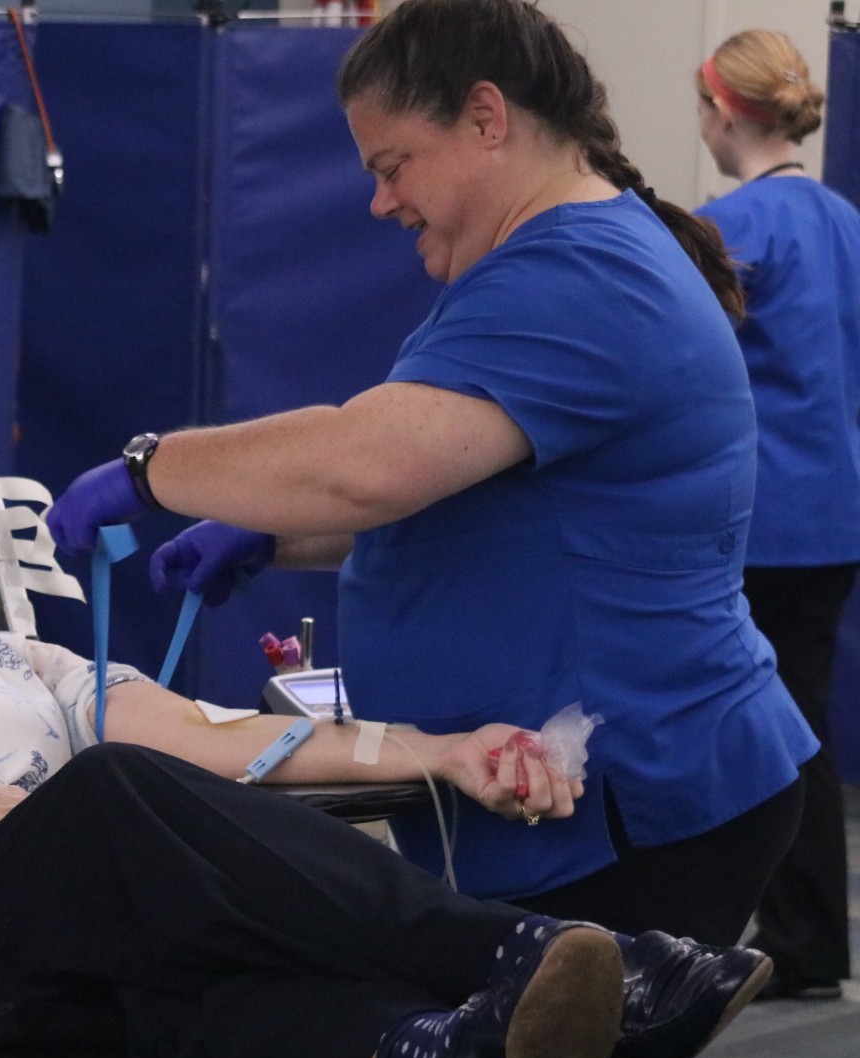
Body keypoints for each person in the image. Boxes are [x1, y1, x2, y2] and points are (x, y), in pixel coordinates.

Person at [0, 388, 766, 1058]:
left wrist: (437, 749)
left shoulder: (4, 658)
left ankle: (442, 1038)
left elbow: (215, 741)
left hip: (54, 987)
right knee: (103, 794)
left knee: (212, 979)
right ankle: (522, 949)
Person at [45, 0, 817, 953]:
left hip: (631, 791)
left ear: (486, 118)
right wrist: (272, 532)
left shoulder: (575, 278)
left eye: (391, 165)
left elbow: (367, 464)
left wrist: (154, 469)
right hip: (610, 777)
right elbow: (475, 489)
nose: (381, 202)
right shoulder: (557, 263)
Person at [693, 28, 860, 1000]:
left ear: (721, 112)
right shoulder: (843, 222)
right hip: (834, 516)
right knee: (798, 719)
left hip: (761, 522)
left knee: (759, 724)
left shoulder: (729, 229)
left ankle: (775, 935)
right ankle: (798, 933)